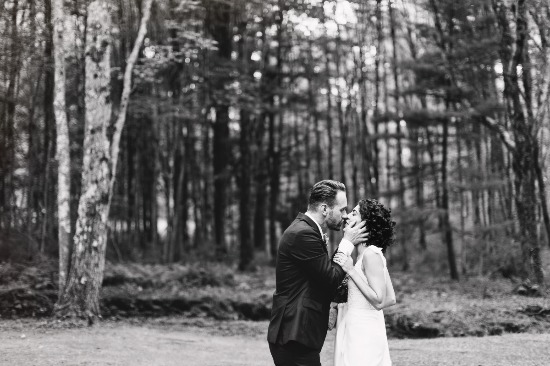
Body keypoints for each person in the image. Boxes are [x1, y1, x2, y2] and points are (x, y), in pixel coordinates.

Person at [267, 180, 369, 366]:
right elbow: (330, 278)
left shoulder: (307, 230)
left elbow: (317, 279)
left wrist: (332, 304)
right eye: (342, 209)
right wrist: (347, 243)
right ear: (324, 209)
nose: (345, 216)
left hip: (299, 333)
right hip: (293, 335)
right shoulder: (302, 233)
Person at [332, 199, 397, 366]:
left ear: (365, 224)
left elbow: (378, 300)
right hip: (355, 324)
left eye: (354, 213)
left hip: (364, 331)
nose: (346, 216)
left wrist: (351, 271)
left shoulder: (371, 255)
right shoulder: (367, 255)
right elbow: (391, 299)